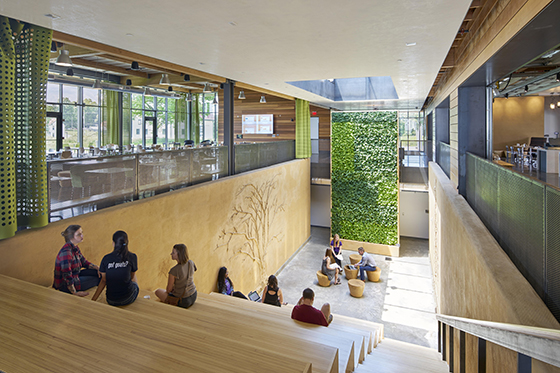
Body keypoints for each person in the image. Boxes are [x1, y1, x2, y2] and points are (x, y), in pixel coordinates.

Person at [92, 231, 139, 306]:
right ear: (127, 243)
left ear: (113, 243)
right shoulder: (132, 257)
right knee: (134, 282)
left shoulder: (106, 258)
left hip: (111, 300)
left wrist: (93, 299)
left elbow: (104, 280)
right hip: (127, 298)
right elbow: (132, 277)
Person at [53, 225, 100, 296]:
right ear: (71, 237)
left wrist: (98, 268)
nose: (82, 236)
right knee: (98, 279)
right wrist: (74, 292)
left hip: (76, 275)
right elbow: (67, 275)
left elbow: (84, 262)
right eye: (79, 235)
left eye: (82, 233)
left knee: (100, 273)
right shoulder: (66, 252)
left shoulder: (75, 247)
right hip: (66, 285)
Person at [155, 244, 198, 308]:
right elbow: (194, 270)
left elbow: (168, 290)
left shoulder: (173, 271)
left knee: (158, 291)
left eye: (173, 253)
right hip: (194, 295)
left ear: (179, 255)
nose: (171, 254)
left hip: (183, 300)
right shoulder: (191, 262)